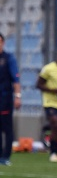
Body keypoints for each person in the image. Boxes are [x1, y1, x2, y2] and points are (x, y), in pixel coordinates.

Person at [0, 33, 21, 166]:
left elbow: (16, 79)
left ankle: (6, 156)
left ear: (3, 43)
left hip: (5, 98)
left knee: (7, 128)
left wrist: (18, 96)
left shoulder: (8, 59)